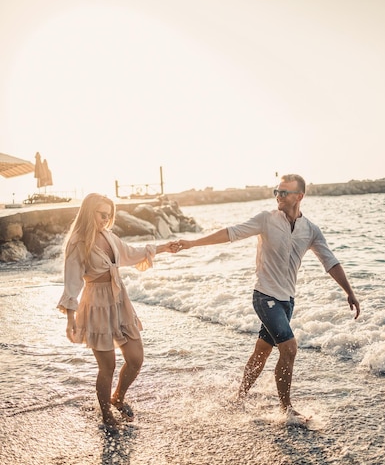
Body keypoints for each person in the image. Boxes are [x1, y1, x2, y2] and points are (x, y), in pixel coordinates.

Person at [177, 174, 360, 424]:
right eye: (277, 191)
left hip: (287, 302)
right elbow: (231, 233)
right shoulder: (265, 220)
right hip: (264, 296)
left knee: (262, 351)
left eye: (284, 192)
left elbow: (330, 261)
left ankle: (239, 397)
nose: (278, 196)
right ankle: (286, 409)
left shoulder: (310, 230)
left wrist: (349, 292)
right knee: (290, 348)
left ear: (299, 196)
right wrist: (192, 243)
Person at [57, 193, 178, 431]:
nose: (106, 219)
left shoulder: (109, 236)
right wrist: (70, 319)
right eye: (102, 214)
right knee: (107, 367)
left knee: (135, 358)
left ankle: (118, 397)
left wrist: (164, 247)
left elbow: (132, 253)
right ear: (89, 212)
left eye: (109, 215)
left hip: (120, 300)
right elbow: (72, 282)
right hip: (96, 304)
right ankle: (106, 414)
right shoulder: (78, 242)